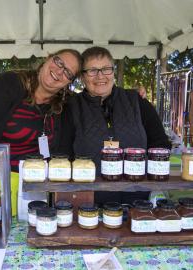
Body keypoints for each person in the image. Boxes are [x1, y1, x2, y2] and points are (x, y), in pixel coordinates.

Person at [0, 49, 82, 215]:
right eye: (59, 62)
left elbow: (63, 151)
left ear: (69, 82)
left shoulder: (66, 105)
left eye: (68, 73)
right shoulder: (8, 83)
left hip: (40, 189)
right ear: (48, 58)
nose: (59, 71)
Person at [69, 46, 171, 205]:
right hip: (88, 200)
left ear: (113, 72)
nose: (100, 76)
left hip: (136, 199)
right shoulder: (72, 106)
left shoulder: (137, 101)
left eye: (106, 69)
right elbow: (62, 153)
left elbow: (160, 145)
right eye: (92, 70)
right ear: (82, 77)